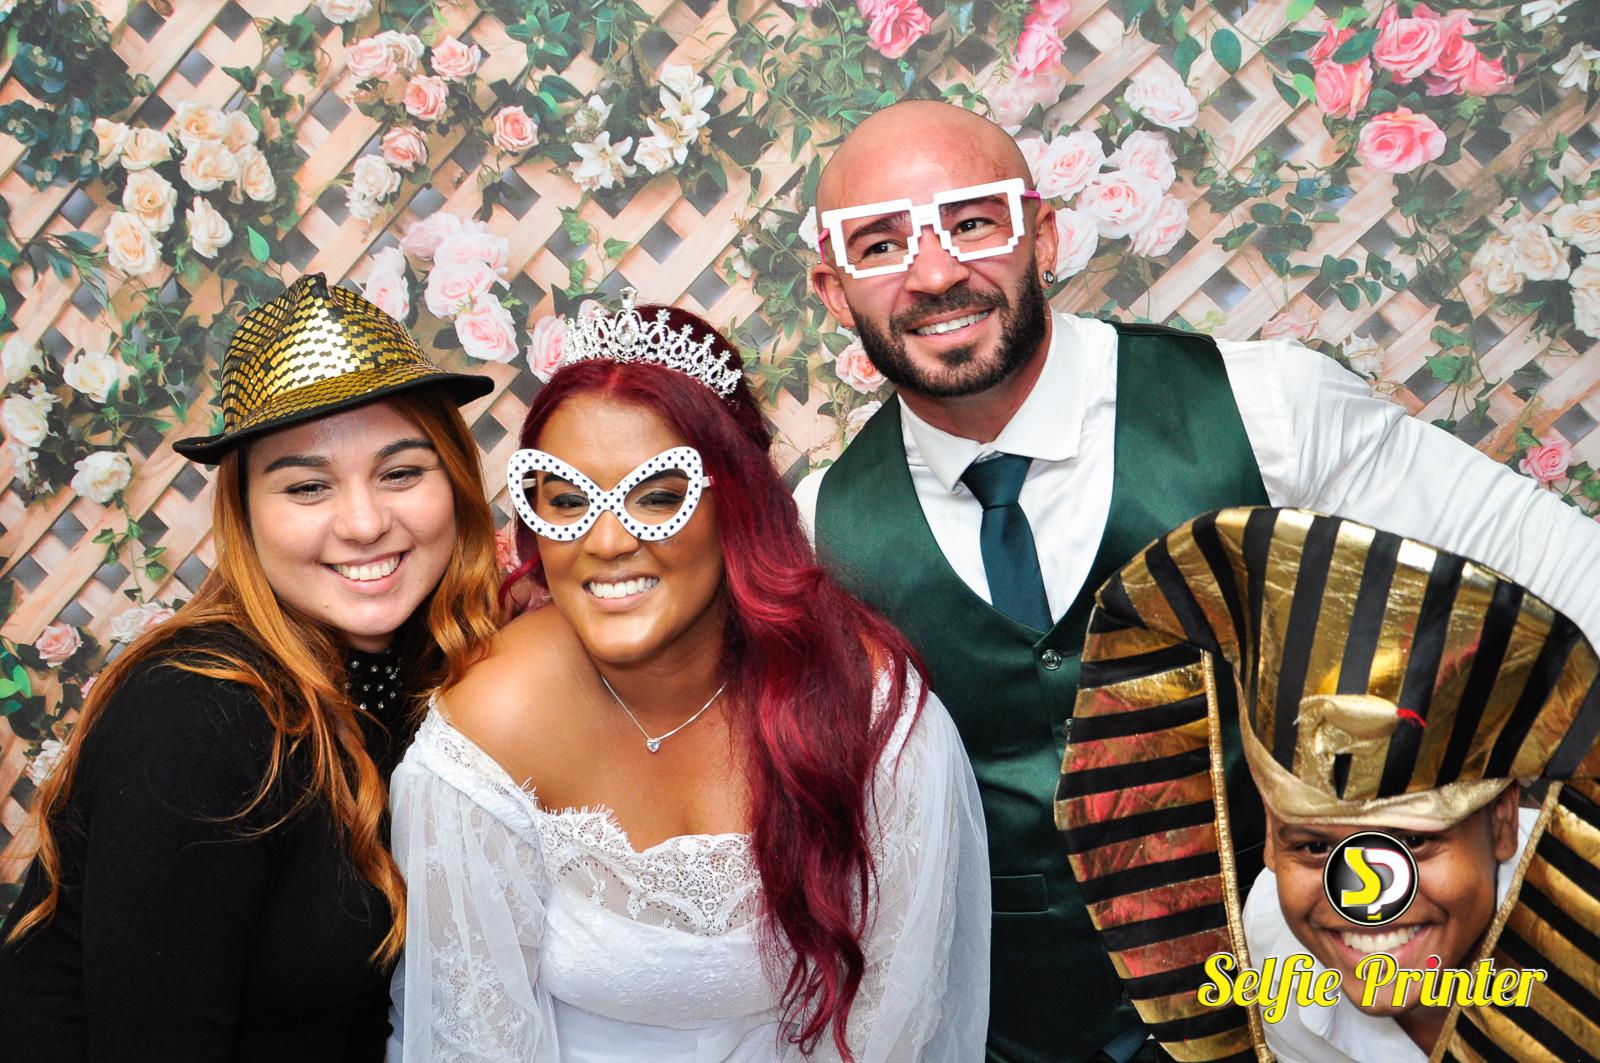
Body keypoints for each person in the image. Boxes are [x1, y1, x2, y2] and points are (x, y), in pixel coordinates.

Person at [793, 99, 1600, 1062]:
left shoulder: (1266, 407)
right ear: (833, 290)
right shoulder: (821, 525)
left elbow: (1568, 577)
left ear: (1043, 237)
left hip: (1299, 1021)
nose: (934, 274)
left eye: (973, 222)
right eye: (881, 244)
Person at [388, 290, 989, 1061]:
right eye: (567, 500)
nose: (607, 540)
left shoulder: (869, 708)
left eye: (658, 496)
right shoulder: (492, 728)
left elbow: (895, 1020)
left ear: (737, 503)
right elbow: (474, 1039)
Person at [0, 274, 499, 1061]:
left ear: (457, 482)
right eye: (308, 486)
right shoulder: (199, 716)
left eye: (401, 472)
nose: (365, 522)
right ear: (245, 514)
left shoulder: (427, 673)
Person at [1058, 506, 1600, 1062]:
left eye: (1413, 840)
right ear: (1271, 839)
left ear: (1502, 821)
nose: (1366, 899)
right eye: (1316, 845)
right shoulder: (1272, 947)